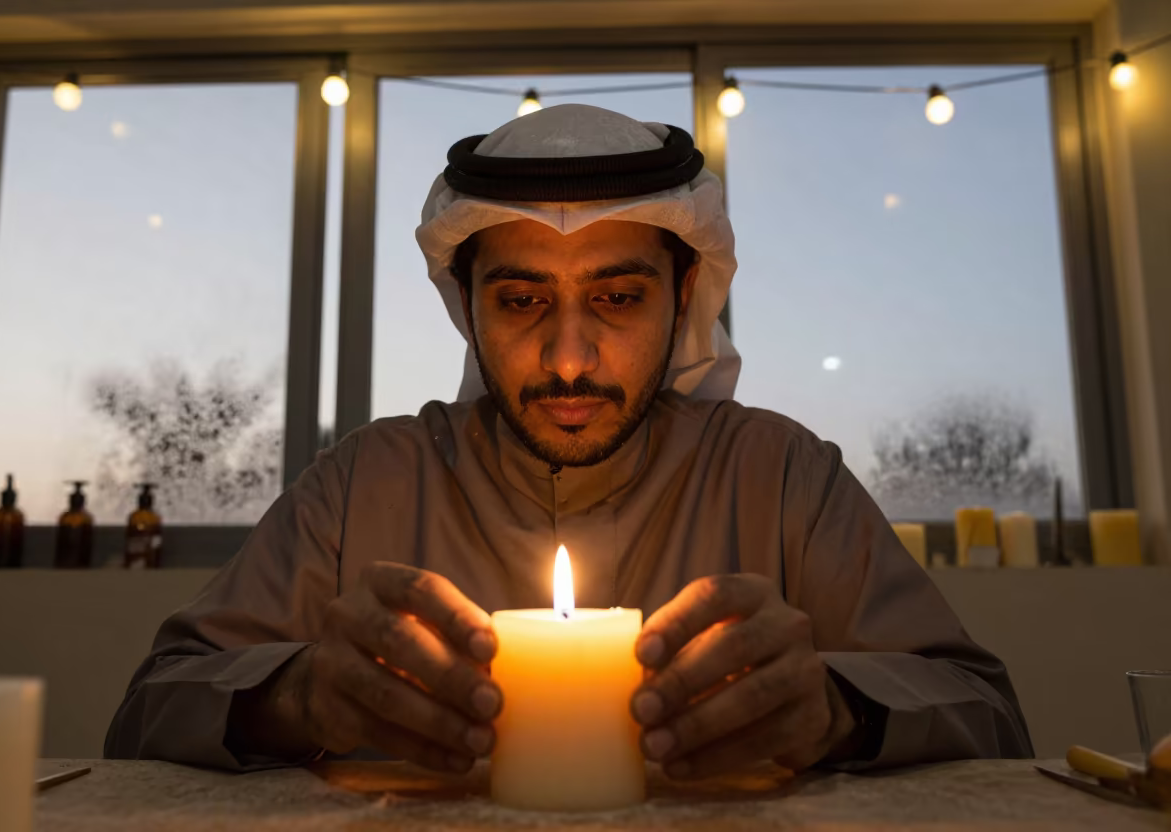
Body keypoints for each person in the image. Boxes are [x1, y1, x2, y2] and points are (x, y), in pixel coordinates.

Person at [105, 104, 1033, 777]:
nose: (569, 357)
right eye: (521, 301)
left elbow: (991, 716)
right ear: (467, 310)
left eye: (618, 298)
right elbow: (149, 711)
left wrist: (836, 712)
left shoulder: (780, 473)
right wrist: (297, 697)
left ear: (684, 301)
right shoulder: (365, 481)